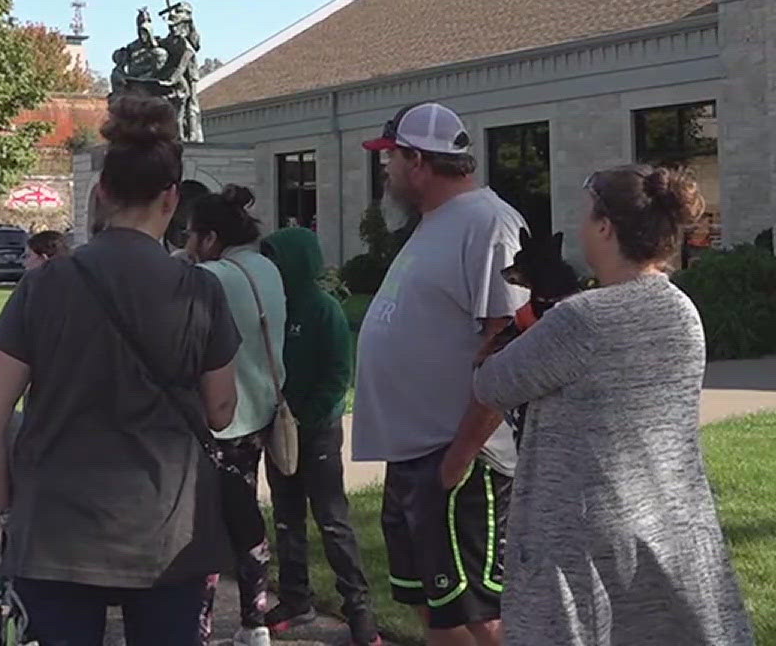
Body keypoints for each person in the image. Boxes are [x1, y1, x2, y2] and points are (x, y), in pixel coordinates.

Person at [0, 94, 241, 646]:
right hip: (167, 526)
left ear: (100, 193)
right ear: (172, 200)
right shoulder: (199, 290)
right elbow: (220, 410)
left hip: (55, 529)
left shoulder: (43, 286)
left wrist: (4, 509)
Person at [473, 166, 754, 644]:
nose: (582, 227)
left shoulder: (579, 320)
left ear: (606, 227)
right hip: (667, 523)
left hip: (578, 539)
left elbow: (490, 384)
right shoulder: (683, 313)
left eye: (588, 216)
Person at [351, 102, 527, 646]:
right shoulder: (435, 223)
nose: (385, 170)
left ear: (418, 161)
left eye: (391, 159)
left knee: (482, 614)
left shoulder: (488, 223)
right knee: (435, 611)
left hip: (460, 462)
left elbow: (512, 345)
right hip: (414, 457)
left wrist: (456, 460)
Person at [261, 225, 379, 645]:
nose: (272, 266)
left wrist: (307, 416)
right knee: (288, 518)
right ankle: (296, 597)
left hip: (319, 431)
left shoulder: (324, 310)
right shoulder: (274, 308)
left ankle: (359, 608)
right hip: (279, 431)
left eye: (278, 258)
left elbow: (337, 373)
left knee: (332, 520)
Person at [185, 185, 287, 646]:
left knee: (204, 526)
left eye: (190, 235)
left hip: (218, 418)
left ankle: (199, 627)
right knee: (248, 519)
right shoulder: (267, 268)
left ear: (208, 238)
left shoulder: (209, 278)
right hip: (262, 409)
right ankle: (254, 620)